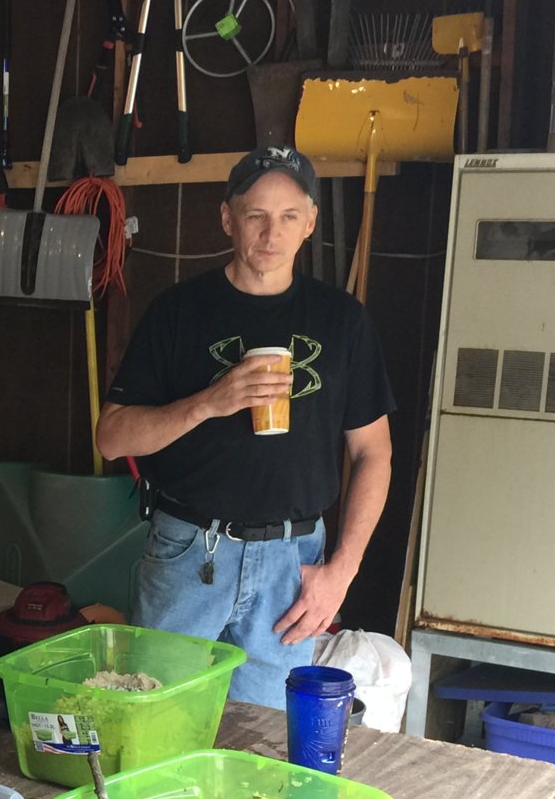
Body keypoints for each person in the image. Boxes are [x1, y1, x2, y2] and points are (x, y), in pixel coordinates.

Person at [95, 146, 394, 708]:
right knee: (160, 723)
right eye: (255, 214)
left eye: (288, 216)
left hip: (292, 562)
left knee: (265, 737)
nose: (270, 233)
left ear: (310, 222)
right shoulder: (179, 312)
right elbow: (112, 438)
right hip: (189, 549)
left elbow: (374, 452)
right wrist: (210, 402)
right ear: (227, 219)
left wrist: (342, 571)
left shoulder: (343, 321)